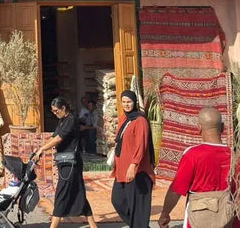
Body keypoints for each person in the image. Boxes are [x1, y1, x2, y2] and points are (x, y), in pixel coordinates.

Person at [158, 107, 234, 228]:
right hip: (226, 219)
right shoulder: (235, 156)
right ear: (223, 127)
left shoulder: (192, 154)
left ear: (199, 128)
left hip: (197, 218)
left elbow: (176, 189)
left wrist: (165, 214)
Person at [35, 97, 99, 228]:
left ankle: (53, 226)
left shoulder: (71, 120)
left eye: (56, 110)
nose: (54, 113)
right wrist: (40, 148)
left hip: (71, 163)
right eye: (52, 111)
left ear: (63, 108)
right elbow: (54, 136)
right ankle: (93, 225)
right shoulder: (63, 120)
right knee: (79, 192)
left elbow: (59, 138)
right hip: (65, 162)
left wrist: (42, 148)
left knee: (61, 193)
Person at [110, 90, 155, 228]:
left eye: (129, 101)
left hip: (137, 171)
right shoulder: (125, 118)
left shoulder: (140, 120)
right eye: (123, 102)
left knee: (137, 207)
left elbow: (141, 144)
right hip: (122, 170)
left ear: (134, 102)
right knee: (118, 200)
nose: (126, 104)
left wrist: (133, 164)